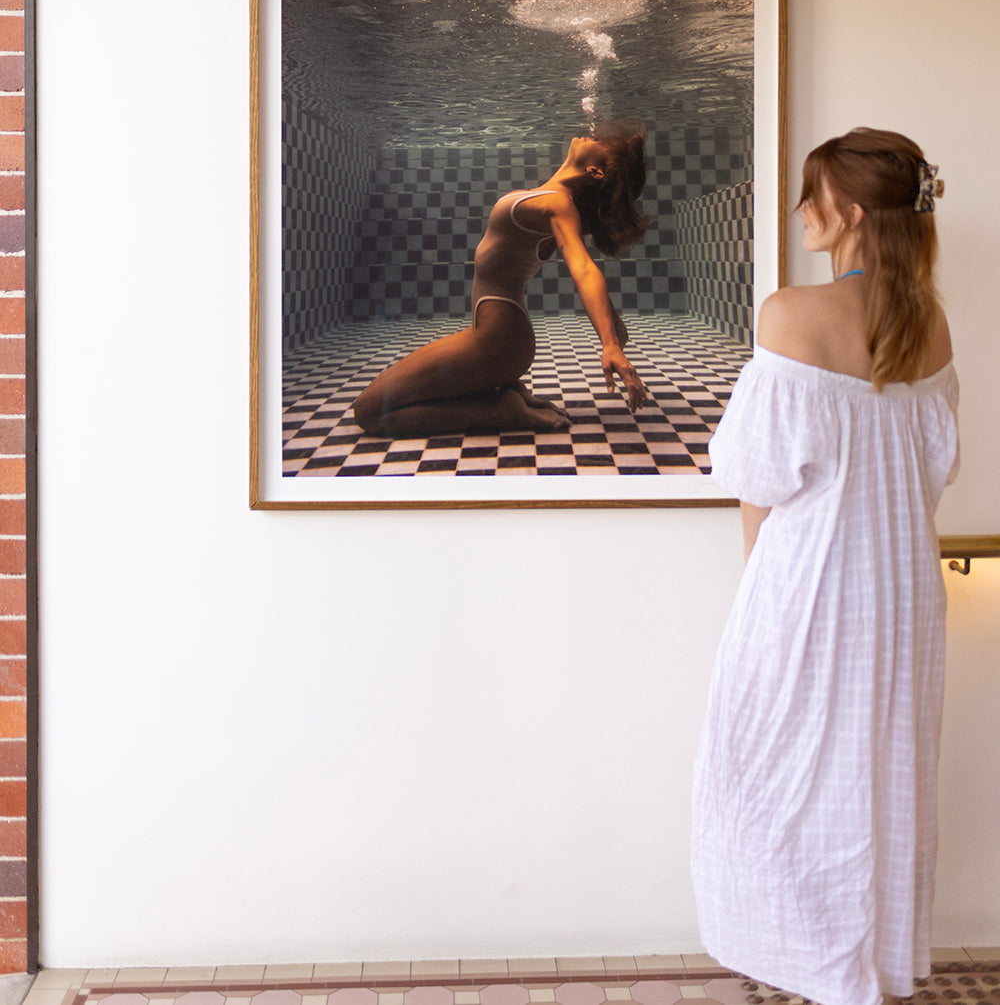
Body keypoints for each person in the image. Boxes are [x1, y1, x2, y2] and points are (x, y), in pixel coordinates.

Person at [691, 128, 959, 1005]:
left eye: (813, 195)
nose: (803, 211)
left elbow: (759, 476)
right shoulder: (931, 320)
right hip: (904, 583)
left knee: (774, 770)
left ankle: (818, 973)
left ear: (845, 211)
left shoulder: (790, 314)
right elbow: (934, 468)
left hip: (811, 583)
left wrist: (753, 582)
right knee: (878, 775)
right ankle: (861, 976)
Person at [353, 123, 652, 438]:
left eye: (603, 143)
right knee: (380, 401)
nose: (594, 135)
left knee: (370, 413)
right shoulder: (555, 199)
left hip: (499, 340)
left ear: (596, 172)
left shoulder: (558, 205)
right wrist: (614, 324)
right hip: (493, 336)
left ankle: (500, 412)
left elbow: (584, 268)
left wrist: (611, 343)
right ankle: (506, 395)